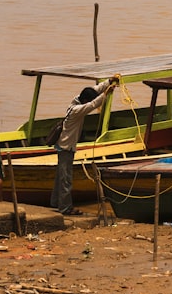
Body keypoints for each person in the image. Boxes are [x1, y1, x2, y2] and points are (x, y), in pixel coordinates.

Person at [50, 74, 120, 215]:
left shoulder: (76, 100)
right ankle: (65, 208)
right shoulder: (77, 111)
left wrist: (109, 81)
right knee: (66, 180)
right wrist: (107, 93)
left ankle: (56, 203)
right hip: (66, 147)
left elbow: (95, 89)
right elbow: (94, 104)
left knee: (61, 177)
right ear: (85, 100)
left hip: (63, 145)